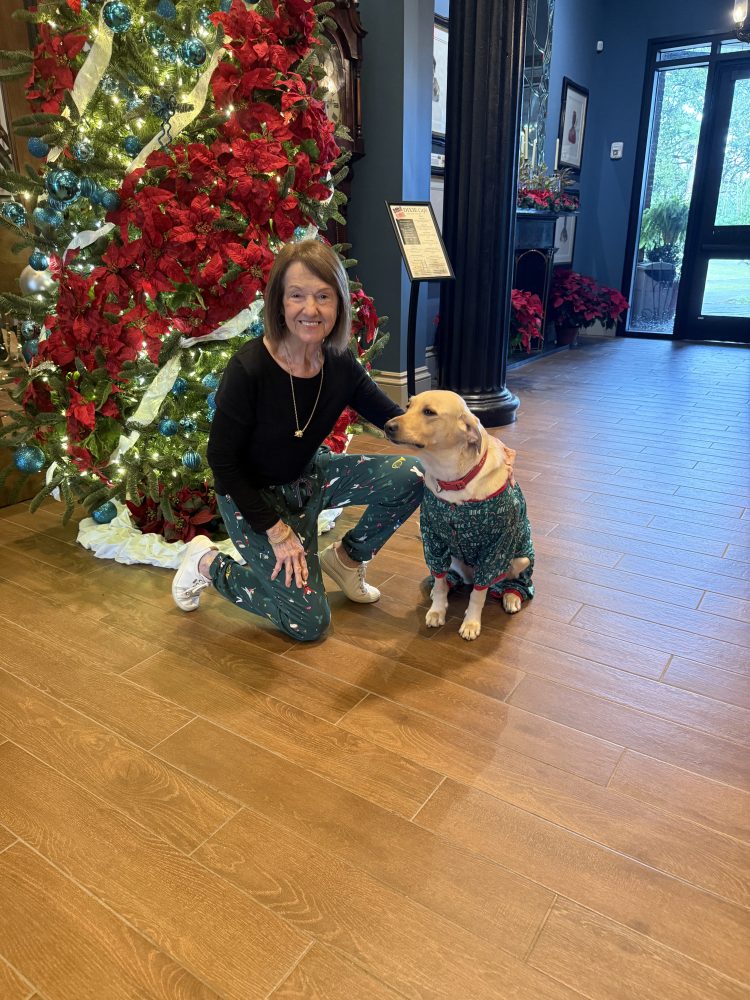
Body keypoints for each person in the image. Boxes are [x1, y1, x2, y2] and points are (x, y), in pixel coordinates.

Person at [171, 239, 424, 642]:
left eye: (323, 296)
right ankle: (205, 563)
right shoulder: (249, 369)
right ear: (279, 304)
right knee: (308, 623)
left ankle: (345, 560)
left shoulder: (339, 361)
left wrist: (474, 441)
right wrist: (275, 530)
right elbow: (221, 461)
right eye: (297, 296)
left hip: (309, 478)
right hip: (251, 499)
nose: (311, 310)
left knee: (414, 473)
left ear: (339, 303)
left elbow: (395, 420)